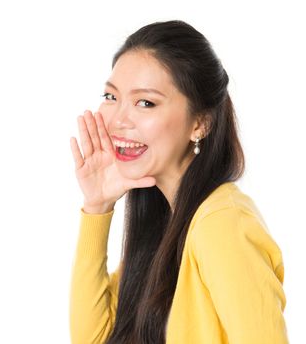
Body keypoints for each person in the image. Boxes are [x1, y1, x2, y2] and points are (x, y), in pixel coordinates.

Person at [69, 20, 289, 344]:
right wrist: (97, 205)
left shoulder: (222, 222)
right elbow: (96, 338)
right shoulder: (163, 217)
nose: (117, 120)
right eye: (111, 96)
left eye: (145, 102)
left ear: (199, 123)